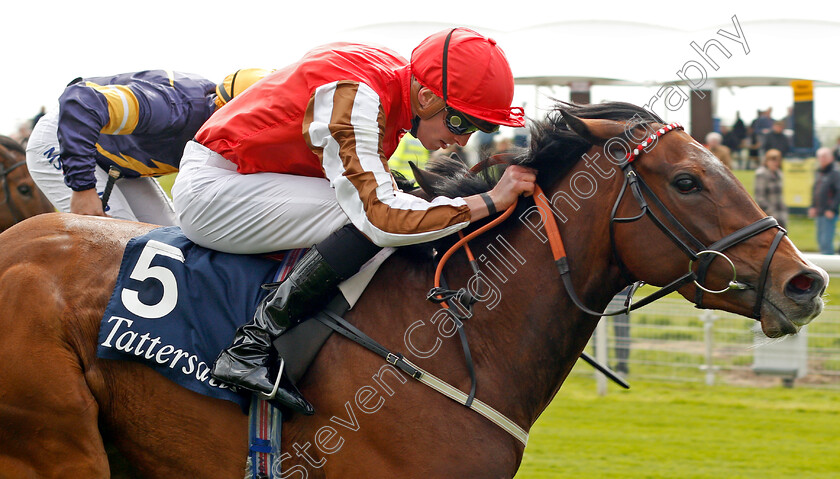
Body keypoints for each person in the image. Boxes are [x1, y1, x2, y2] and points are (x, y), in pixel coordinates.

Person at [171, 28, 537, 415]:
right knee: (371, 220)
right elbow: (381, 219)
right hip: (215, 189)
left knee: (396, 208)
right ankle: (251, 347)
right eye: (460, 123)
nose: (462, 142)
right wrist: (489, 200)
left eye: (478, 130)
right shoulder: (357, 95)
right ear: (427, 97)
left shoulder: (391, 78)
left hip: (251, 177)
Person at [25, 69, 269, 224]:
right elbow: (79, 101)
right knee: (119, 240)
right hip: (62, 136)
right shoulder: (174, 108)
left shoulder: (213, 112)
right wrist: (83, 187)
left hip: (117, 161)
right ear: (221, 106)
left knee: (167, 239)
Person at [809, 147, 840, 255]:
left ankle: (830, 268)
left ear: (831, 158)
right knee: (820, 240)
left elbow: (838, 192)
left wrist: (832, 209)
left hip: (828, 213)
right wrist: (812, 206)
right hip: (819, 211)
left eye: (824, 157)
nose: (822, 159)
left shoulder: (834, 173)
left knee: (826, 242)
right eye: (820, 157)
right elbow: (815, 190)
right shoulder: (819, 172)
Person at [754, 149, 787, 228]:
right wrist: (771, 212)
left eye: (777, 161)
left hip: (780, 214)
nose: (775, 163)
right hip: (768, 215)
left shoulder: (779, 174)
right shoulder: (761, 174)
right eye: (772, 161)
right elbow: (760, 197)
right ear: (766, 161)